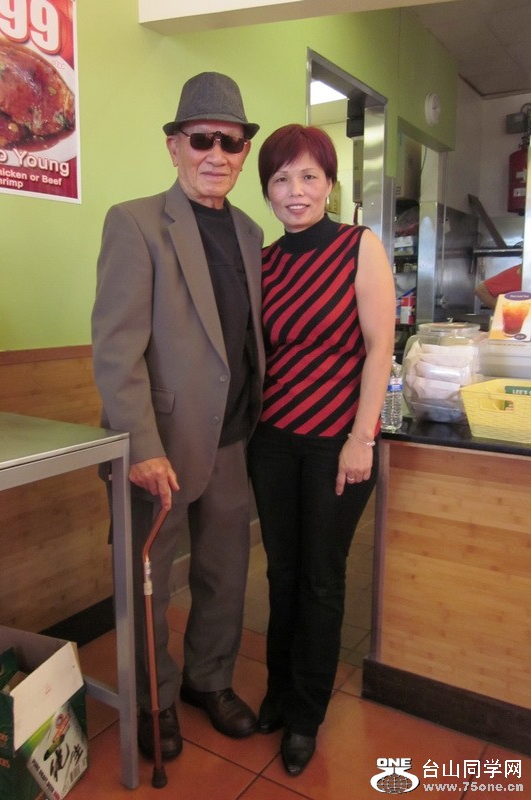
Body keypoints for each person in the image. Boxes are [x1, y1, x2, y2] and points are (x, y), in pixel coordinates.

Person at [91, 72, 265, 762]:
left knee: (224, 573)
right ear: (174, 146)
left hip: (233, 437)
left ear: (244, 152)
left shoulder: (251, 232)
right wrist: (139, 444)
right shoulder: (135, 223)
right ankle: (151, 696)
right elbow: (117, 349)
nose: (216, 154)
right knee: (147, 581)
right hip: (158, 445)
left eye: (231, 142)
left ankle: (208, 680)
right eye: (202, 140)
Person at [247, 124, 396, 776]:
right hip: (273, 444)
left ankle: (306, 714)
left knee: (321, 580)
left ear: (330, 184)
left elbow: (380, 347)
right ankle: (278, 691)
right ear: (268, 192)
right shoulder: (265, 262)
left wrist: (362, 438)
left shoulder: (360, 247)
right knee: (281, 575)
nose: (295, 190)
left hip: (340, 445)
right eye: (281, 179)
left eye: (309, 176)